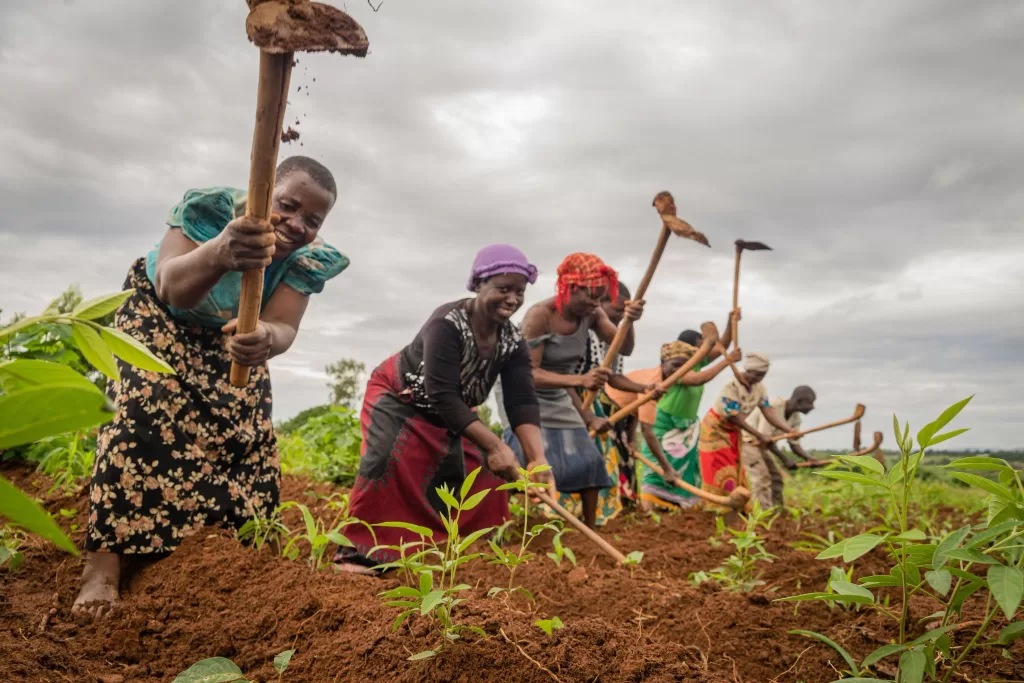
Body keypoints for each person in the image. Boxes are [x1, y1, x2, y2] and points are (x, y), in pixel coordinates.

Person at [74, 156, 349, 619]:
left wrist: (265, 338)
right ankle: (103, 565)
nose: (297, 224)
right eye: (288, 205)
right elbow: (170, 287)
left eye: (312, 220)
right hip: (159, 319)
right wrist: (222, 251)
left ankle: (244, 560)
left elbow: (284, 324)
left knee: (249, 436)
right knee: (141, 413)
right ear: (264, 192)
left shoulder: (308, 259)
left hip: (229, 337)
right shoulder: (213, 212)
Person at [334, 244, 551, 574]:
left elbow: (521, 400)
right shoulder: (446, 323)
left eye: (519, 292)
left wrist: (538, 460)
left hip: (453, 411)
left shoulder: (511, 340)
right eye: (503, 289)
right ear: (479, 285)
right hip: (400, 398)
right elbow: (442, 394)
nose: (512, 299)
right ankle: (361, 556)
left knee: (485, 474)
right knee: (385, 461)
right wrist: (494, 444)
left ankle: (472, 552)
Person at [499, 252, 645, 528]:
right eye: (591, 296)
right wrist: (579, 381)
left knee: (587, 458)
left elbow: (623, 347)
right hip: (519, 390)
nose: (596, 304)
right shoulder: (540, 316)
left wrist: (629, 321)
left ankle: (589, 530)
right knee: (522, 458)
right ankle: (509, 523)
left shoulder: (592, 314)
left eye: (600, 297)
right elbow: (528, 374)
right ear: (572, 288)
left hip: (561, 390)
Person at [697, 352, 795, 512]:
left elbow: (768, 411)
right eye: (757, 374)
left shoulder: (759, 388)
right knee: (719, 467)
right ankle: (716, 507)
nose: (759, 378)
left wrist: (787, 429)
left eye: (762, 375)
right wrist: (759, 434)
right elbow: (736, 417)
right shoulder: (731, 387)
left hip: (733, 433)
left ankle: (736, 507)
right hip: (714, 431)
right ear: (748, 371)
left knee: (735, 468)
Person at [740, 386, 817, 509]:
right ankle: (762, 513)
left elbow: (793, 443)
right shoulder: (774, 406)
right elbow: (764, 438)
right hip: (749, 442)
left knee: (776, 477)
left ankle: (777, 511)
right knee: (762, 477)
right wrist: (785, 459)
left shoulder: (795, 418)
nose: (812, 407)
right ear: (799, 401)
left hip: (764, 446)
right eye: (810, 403)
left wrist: (809, 458)